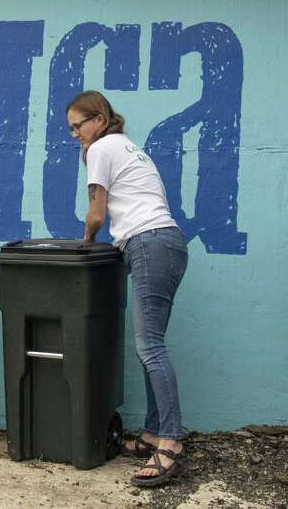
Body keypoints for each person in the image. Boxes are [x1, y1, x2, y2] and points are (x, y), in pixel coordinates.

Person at [67, 90, 188, 488]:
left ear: (98, 119)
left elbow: (97, 214)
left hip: (148, 243)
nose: (75, 135)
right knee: (149, 344)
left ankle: (170, 440)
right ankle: (154, 432)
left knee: (150, 346)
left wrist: (85, 244)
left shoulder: (102, 149)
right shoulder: (129, 147)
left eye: (77, 126)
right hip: (166, 243)